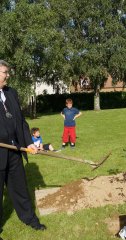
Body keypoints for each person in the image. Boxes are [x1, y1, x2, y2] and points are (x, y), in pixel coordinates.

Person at [0, 60, 46, 238]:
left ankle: (29, 218)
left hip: (15, 150)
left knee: (20, 188)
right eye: (5, 72)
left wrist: (28, 143)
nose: (8, 75)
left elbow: (21, 121)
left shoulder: (11, 93)